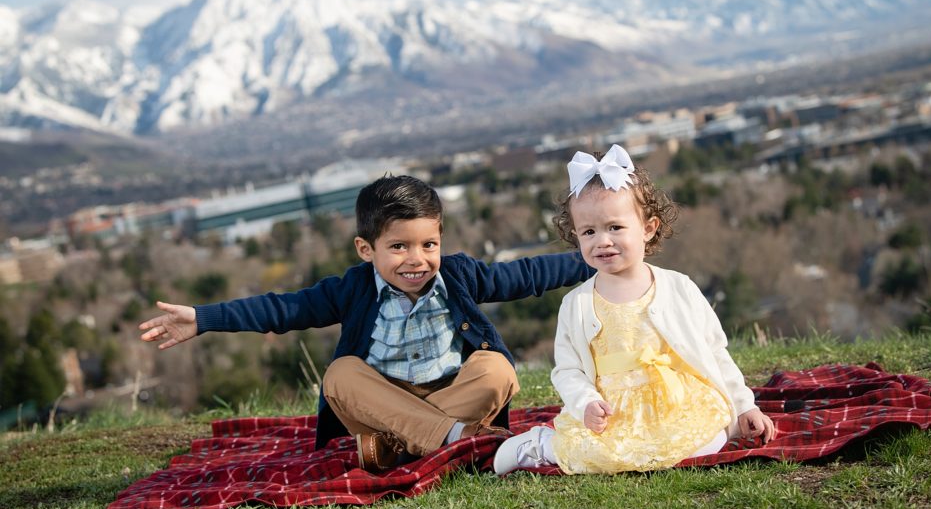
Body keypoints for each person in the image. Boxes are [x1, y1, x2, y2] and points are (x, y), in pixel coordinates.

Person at [140, 174, 592, 473]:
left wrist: (594, 258)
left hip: (453, 392)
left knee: (497, 369)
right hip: (382, 402)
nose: (417, 260)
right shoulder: (351, 290)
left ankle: (397, 447)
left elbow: (529, 275)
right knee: (341, 375)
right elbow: (282, 310)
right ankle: (456, 439)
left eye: (428, 244)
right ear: (365, 249)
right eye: (398, 247)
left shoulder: (459, 275)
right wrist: (203, 318)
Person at [494, 145, 775, 475]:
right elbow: (567, 370)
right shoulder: (578, 304)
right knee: (599, 453)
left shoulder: (678, 287)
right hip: (615, 411)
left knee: (707, 441)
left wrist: (744, 406)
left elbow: (715, 351)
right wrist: (586, 404)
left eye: (614, 227)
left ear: (648, 228)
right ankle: (542, 445)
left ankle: (695, 434)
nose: (602, 241)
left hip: (676, 402)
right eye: (589, 232)